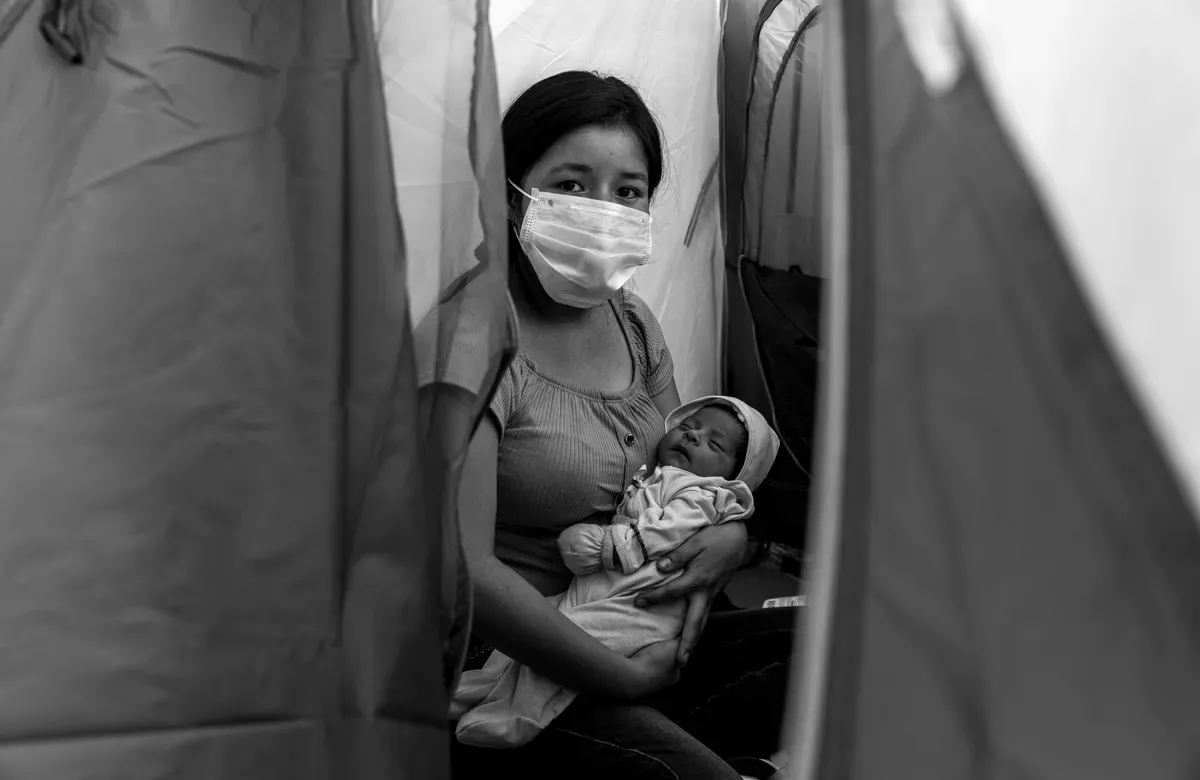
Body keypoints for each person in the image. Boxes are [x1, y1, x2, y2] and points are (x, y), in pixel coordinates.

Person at [416, 70, 802, 780]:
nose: (603, 210)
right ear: (511, 196)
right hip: (517, 658)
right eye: (571, 184)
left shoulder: (632, 321)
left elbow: (682, 470)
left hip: (635, 617)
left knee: (830, 642)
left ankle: (645, 736)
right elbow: (460, 570)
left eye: (628, 191)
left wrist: (729, 534)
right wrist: (621, 681)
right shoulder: (473, 333)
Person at [451, 396, 780, 748]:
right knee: (535, 635)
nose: (693, 438)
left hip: (640, 608)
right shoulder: (659, 477)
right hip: (600, 588)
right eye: (687, 427)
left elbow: (666, 530)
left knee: (568, 644)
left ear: (734, 476)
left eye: (714, 444)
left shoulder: (698, 493)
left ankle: (519, 717)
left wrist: (615, 544)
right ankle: (478, 688)